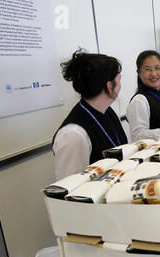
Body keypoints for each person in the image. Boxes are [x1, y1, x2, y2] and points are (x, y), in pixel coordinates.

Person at [53, 49, 128, 180]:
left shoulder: (107, 112)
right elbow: (70, 189)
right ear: (110, 86)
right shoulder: (73, 134)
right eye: (119, 79)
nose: (121, 85)